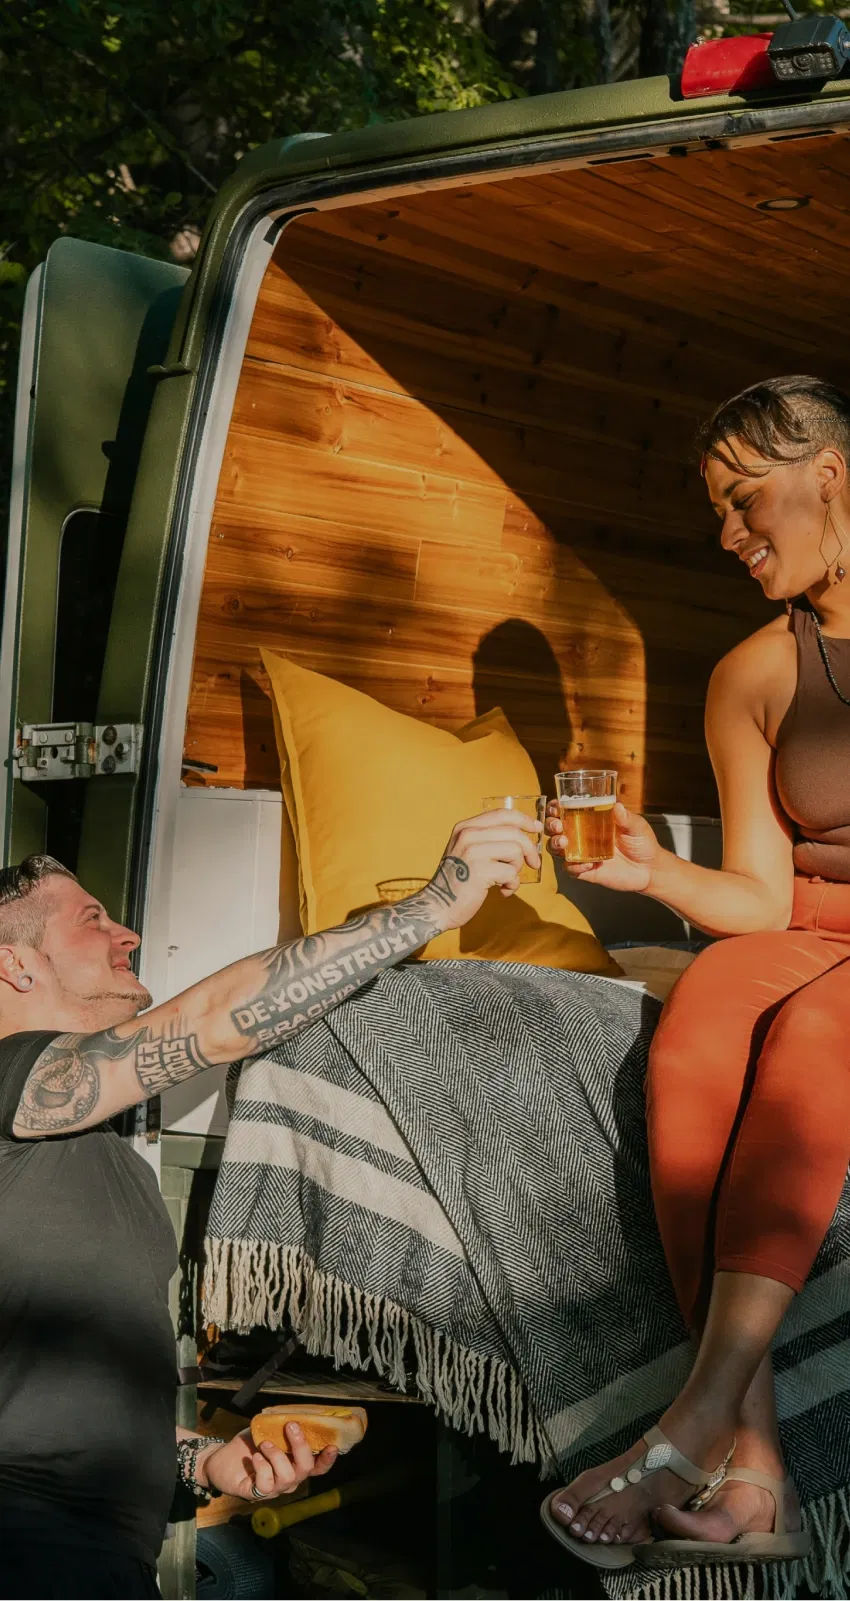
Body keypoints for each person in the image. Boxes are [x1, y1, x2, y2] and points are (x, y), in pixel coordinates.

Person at [0, 807, 539, 1599]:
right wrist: (435, 904)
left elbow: (55, 1405)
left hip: (105, 1559)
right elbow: (213, 1020)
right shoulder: (8, 1077)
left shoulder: (113, 1162)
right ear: (13, 964)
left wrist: (210, 1460)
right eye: (92, 919)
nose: (127, 934)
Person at [543, 375, 850, 1571]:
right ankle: (751, 1473)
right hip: (814, 926)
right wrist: (654, 871)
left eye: (741, 500)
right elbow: (762, 900)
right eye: (715, 511)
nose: (726, 534)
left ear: (827, 475)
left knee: (817, 1039)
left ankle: (689, 1426)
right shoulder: (752, 673)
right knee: (701, 1023)